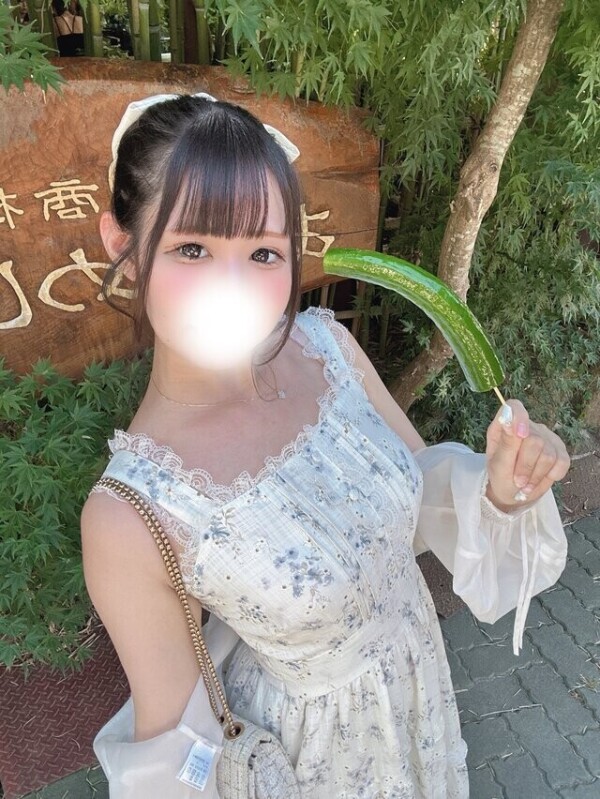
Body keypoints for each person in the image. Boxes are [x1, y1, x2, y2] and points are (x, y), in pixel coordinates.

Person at [80, 92, 570, 798]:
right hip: (320, 763)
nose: (232, 286)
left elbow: (417, 495)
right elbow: (176, 752)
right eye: (192, 247)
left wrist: (500, 483)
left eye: (263, 252)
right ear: (122, 245)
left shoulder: (327, 348)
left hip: (418, 694)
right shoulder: (130, 513)